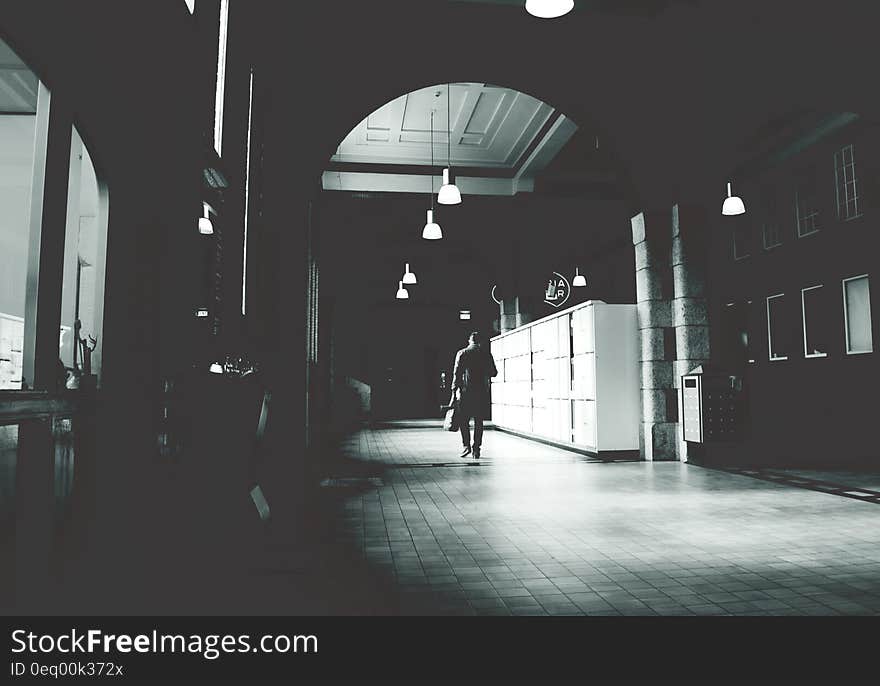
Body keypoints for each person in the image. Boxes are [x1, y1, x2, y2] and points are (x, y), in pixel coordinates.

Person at [450, 331, 498, 459]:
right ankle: (477, 449)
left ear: (469, 341)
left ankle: (466, 446)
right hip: (481, 392)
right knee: (478, 421)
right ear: (480, 342)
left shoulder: (462, 353)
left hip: (465, 393)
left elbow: (456, 374)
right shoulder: (486, 354)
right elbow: (494, 372)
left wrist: (454, 391)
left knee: (463, 420)